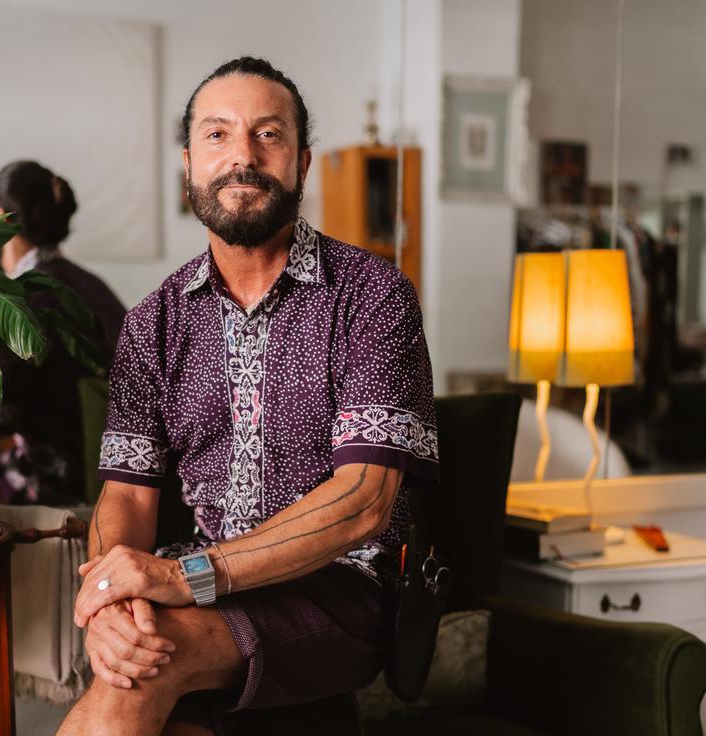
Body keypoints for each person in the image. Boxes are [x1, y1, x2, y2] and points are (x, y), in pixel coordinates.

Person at [58, 57, 438, 736]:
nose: (243, 156)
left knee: (145, 665)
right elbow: (126, 495)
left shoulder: (373, 297)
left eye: (269, 135)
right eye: (218, 135)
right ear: (188, 164)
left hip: (339, 592)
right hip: (199, 594)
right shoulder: (154, 322)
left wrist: (183, 580)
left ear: (302, 162)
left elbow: (363, 502)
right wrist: (111, 606)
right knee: (137, 668)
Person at [0, 160, 125, 505]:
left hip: (51, 492)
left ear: (2, 221)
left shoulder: (12, 305)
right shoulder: (95, 290)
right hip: (117, 486)